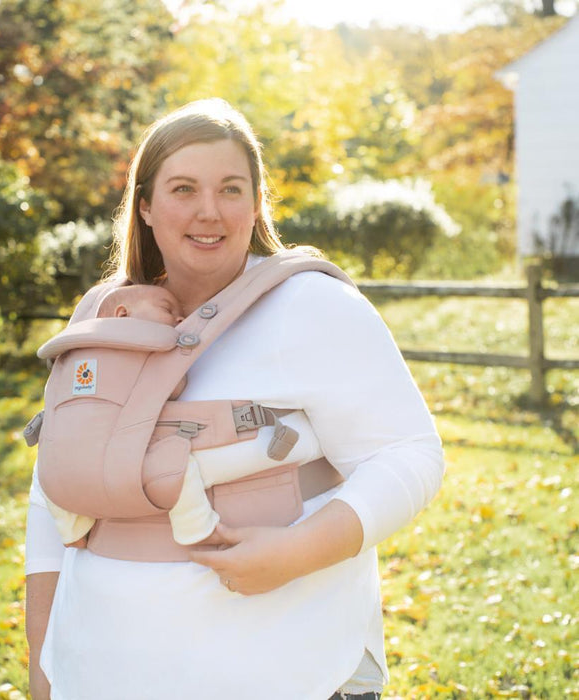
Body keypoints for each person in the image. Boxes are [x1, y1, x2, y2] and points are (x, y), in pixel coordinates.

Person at [25, 98, 445, 700]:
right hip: (103, 668)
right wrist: (46, 669)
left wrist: (297, 552)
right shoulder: (102, 315)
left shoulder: (313, 307)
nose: (209, 212)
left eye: (230, 188)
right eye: (183, 188)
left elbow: (410, 454)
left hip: (287, 664)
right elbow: (52, 495)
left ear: (256, 203)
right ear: (144, 205)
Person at [43, 282, 324, 548]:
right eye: (168, 309)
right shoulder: (141, 349)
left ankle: (73, 531)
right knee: (177, 469)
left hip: (65, 458)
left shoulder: (77, 353)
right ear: (122, 314)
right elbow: (174, 387)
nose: (179, 320)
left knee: (56, 480)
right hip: (124, 455)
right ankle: (196, 529)